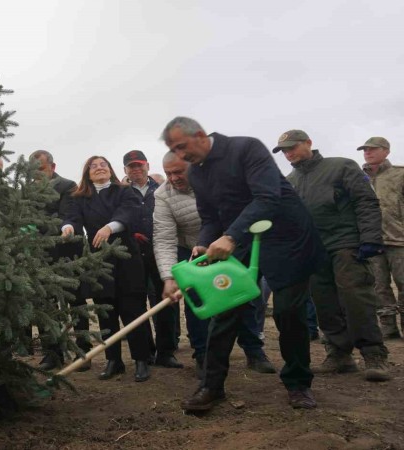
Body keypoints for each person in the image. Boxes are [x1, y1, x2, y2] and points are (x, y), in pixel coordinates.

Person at [162, 117, 325, 411]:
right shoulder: (196, 174)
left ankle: (298, 384)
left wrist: (230, 237)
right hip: (240, 241)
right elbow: (211, 217)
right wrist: (203, 241)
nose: (181, 155)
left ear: (200, 134)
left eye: (182, 147)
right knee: (224, 310)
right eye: (175, 150)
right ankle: (211, 386)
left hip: (286, 239)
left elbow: (267, 197)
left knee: (289, 312)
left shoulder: (246, 149)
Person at [275, 130, 389, 381]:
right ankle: (339, 354)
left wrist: (370, 238)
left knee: (355, 297)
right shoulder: (290, 180)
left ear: (308, 143)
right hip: (313, 250)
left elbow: (366, 201)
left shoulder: (340, 167)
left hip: (346, 243)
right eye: (284, 150)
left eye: (293, 147)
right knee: (324, 302)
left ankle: (373, 353)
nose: (288, 153)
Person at [153, 151, 276, 379]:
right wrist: (169, 277)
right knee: (196, 298)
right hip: (190, 248)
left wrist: (229, 241)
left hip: (228, 242)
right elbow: (164, 238)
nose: (173, 178)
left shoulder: (217, 181)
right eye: (168, 173)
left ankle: (254, 351)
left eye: (179, 171)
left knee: (240, 293)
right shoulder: (162, 195)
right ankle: (203, 355)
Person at [62, 156, 152, 382]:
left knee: (133, 310)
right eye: (94, 166)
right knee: (106, 311)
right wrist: (68, 228)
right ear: (87, 174)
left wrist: (109, 228)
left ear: (110, 170)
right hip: (98, 261)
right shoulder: (81, 198)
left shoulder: (124, 191)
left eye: (103, 165)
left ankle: (141, 359)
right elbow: (72, 219)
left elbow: (128, 214)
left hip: (127, 258)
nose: (99, 168)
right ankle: (114, 360)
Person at [29, 150, 92, 371]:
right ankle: (52, 353)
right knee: (45, 304)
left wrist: (35, 228)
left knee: (75, 302)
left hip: (67, 253)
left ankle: (82, 350)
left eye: (41, 169)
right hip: (40, 256)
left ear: (53, 167)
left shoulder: (68, 186)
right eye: (32, 171)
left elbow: (66, 218)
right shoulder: (26, 192)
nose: (36, 174)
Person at [122, 150, 182, 369]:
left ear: (147, 165)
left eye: (139, 165)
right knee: (137, 302)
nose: (136, 169)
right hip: (132, 256)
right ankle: (145, 351)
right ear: (125, 170)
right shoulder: (122, 193)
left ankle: (166, 351)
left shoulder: (162, 190)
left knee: (165, 302)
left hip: (161, 253)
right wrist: (130, 235)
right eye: (131, 166)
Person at [359, 137, 404, 339]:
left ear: (386, 151)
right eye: (365, 150)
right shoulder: (358, 178)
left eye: (373, 149)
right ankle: (388, 328)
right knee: (379, 286)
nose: (368, 153)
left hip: (399, 239)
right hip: (371, 240)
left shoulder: (400, 174)